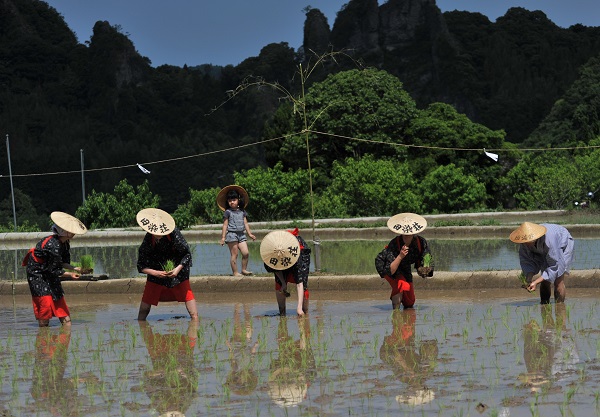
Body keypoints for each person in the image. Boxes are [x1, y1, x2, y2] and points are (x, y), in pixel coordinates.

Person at [24, 211, 89, 327]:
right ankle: (43, 332)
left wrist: (77, 269)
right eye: (71, 230)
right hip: (37, 272)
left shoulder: (64, 243)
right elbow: (53, 270)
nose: (74, 233)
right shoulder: (53, 246)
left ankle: (66, 325)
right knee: (45, 301)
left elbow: (62, 263)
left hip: (49, 269)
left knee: (57, 296)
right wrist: (70, 275)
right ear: (64, 231)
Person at [136, 208, 198, 321]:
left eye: (161, 233)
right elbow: (141, 264)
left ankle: (195, 320)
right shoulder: (148, 238)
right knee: (147, 300)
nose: (158, 235)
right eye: (155, 233)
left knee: (187, 294)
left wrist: (177, 269)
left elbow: (187, 254)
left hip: (178, 269)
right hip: (156, 270)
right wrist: (155, 273)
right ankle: (140, 322)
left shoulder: (174, 233)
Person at [375, 213, 434, 310]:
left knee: (409, 302)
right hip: (387, 265)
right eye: (404, 234)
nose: (406, 236)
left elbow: (427, 258)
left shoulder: (421, 242)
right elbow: (391, 271)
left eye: (409, 234)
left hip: (405, 267)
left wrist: (425, 269)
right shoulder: (394, 244)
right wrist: (400, 256)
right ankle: (396, 313)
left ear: (414, 233)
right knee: (401, 284)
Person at [509, 222, 574, 304]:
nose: (527, 244)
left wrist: (536, 282)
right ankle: (544, 305)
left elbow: (554, 266)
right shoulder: (524, 242)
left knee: (558, 280)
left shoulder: (550, 241)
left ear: (535, 238)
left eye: (529, 242)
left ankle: (560, 307)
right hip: (546, 247)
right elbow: (527, 261)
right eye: (525, 242)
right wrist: (528, 280)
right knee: (544, 281)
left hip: (562, 242)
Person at [261, 228, 311, 316]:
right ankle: (282, 313)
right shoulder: (270, 256)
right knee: (279, 284)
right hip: (280, 247)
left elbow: (300, 283)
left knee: (304, 285)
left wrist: (298, 308)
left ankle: (304, 311)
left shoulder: (297, 258)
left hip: (299, 252)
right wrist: (283, 283)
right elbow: (275, 269)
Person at [217, 185, 256, 277]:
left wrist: (250, 233)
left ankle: (244, 270)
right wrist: (223, 238)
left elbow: (245, 223)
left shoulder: (242, 211)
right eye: (230, 200)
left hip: (241, 234)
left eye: (234, 200)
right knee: (235, 254)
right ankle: (235, 272)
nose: (232, 202)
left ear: (238, 200)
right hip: (231, 234)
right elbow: (225, 225)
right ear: (227, 202)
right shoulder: (228, 212)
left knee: (246, 253)